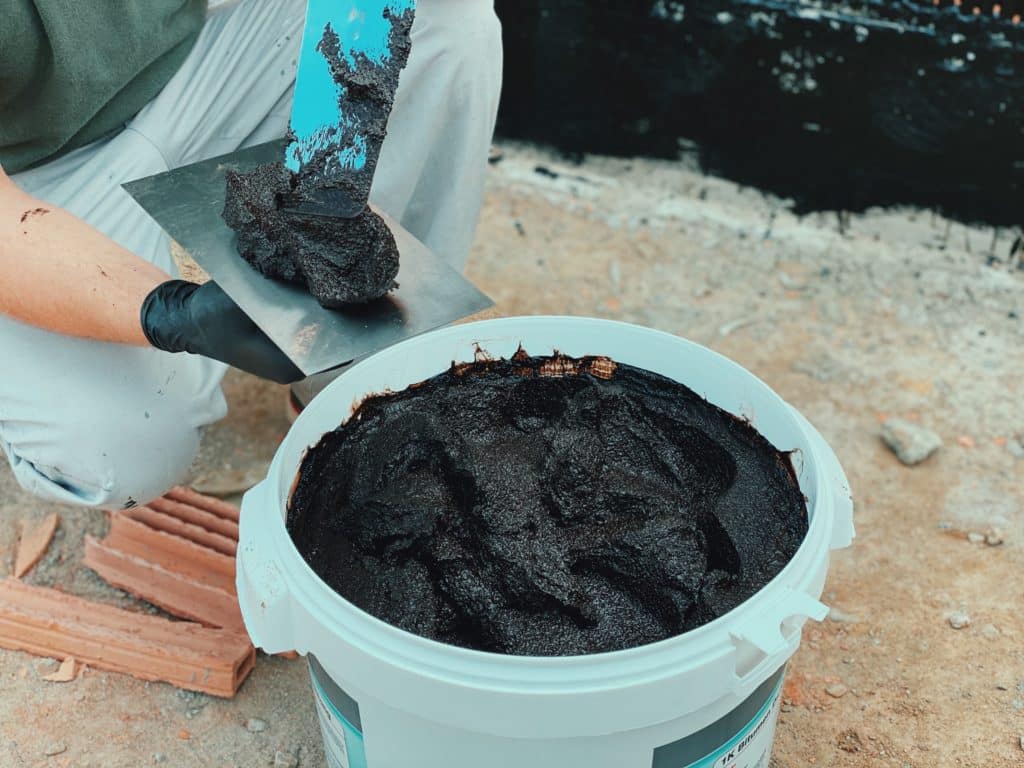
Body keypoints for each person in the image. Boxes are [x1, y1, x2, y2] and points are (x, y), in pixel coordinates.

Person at [0, 0, 503, 510]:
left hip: (193, 63)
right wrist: (171, 313)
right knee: (119, 448)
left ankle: (353, 388)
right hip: (30, 174)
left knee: (449, 22)